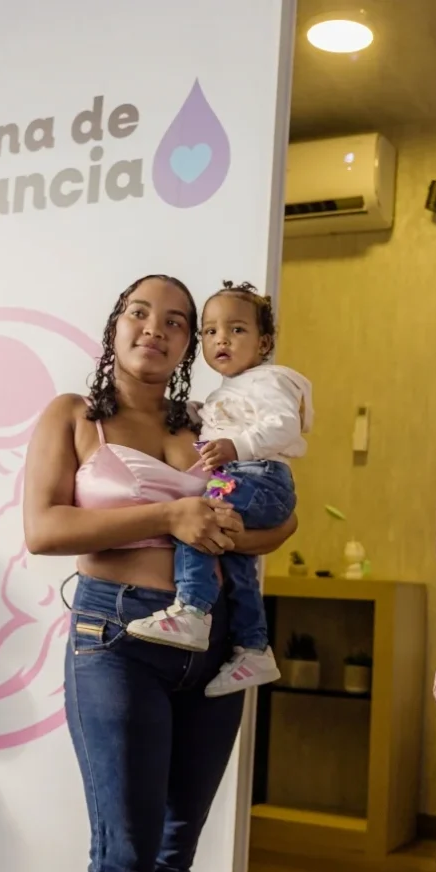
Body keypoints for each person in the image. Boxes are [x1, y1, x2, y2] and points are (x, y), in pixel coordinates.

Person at [22, 274, 297, 872]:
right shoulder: (74, 415)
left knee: (173, 864)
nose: (156, 328)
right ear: (115, 324)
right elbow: (43, 528)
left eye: (176, 321)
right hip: (118, 638)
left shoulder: (208, 421)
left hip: (217, 645)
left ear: (189, 346)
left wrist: (226, 530)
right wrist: (171, 515)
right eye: (140, 313)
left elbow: (281, 522)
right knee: (123, 864)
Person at [126, 280, 312, 697]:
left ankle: (192, 610)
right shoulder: (227, 392)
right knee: (235, 562)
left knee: (200, 516)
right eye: (210, 331)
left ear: (263, 343)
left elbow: (284, 425)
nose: (220, 339)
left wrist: (236, 445)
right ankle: (253, 647)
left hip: (261, 477)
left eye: (236, 330)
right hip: (249, 478)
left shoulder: (270, 380)